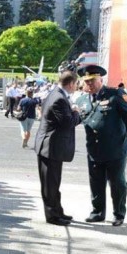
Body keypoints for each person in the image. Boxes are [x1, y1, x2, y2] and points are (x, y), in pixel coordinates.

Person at [75, 65, 127, 226]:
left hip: (115, 147)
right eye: (87, 81)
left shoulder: (115, 95)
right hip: (94, 149)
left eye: (92, 81)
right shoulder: (81, 100)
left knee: (117, 182)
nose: (89, 84)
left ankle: (118, 214)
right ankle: (97, 212)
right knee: (96, 182)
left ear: (100, 79)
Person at [34, 71, 81, 226]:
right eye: (76, 84)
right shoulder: (59, 98)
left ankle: (58, 211)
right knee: (50, 184)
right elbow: (67, 123)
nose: (77, 87)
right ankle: (52, 216)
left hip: (52, 147)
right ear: (71, 83)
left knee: (54, 183)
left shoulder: (57, 94)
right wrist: (76, 112)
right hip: (50, 147)